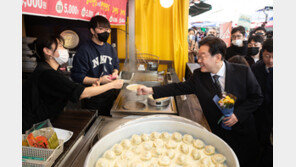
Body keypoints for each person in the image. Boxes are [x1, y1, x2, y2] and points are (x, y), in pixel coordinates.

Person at [137, 37, 263, 167]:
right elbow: (178, 88)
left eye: (203, 57)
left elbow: (257, 97)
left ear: (218, 57)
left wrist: (237, 115)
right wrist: (150, 90)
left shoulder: (242, 72)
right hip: (217, 134)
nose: (199, 60)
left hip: (243, 133)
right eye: (198, 56)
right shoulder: (199, 76)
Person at [22, 34, 123, 133]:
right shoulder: (47, 73)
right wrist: (112, 85)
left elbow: (71, 91)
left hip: (46, 122)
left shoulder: (53, 70)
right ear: (47, 51)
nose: (64, 50)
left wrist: (91, 89)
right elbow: (80, 93)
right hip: (32, 128)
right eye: (60, 46)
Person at [71, 15, 120, 116]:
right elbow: (78, 77)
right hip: (93, 98)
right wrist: (100, 80)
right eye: (101, 29)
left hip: (110, 95)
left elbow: (116, 66)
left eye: (107, 29)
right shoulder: (84, 50)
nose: (105, 32)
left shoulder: (111, 49)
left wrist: (115, 73)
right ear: (92, 31)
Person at [251, 38, 273, 167]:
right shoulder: (255, 68)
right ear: (262, 53)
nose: (270, 60)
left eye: (274, 57)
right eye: (267, 56)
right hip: (257, 113)